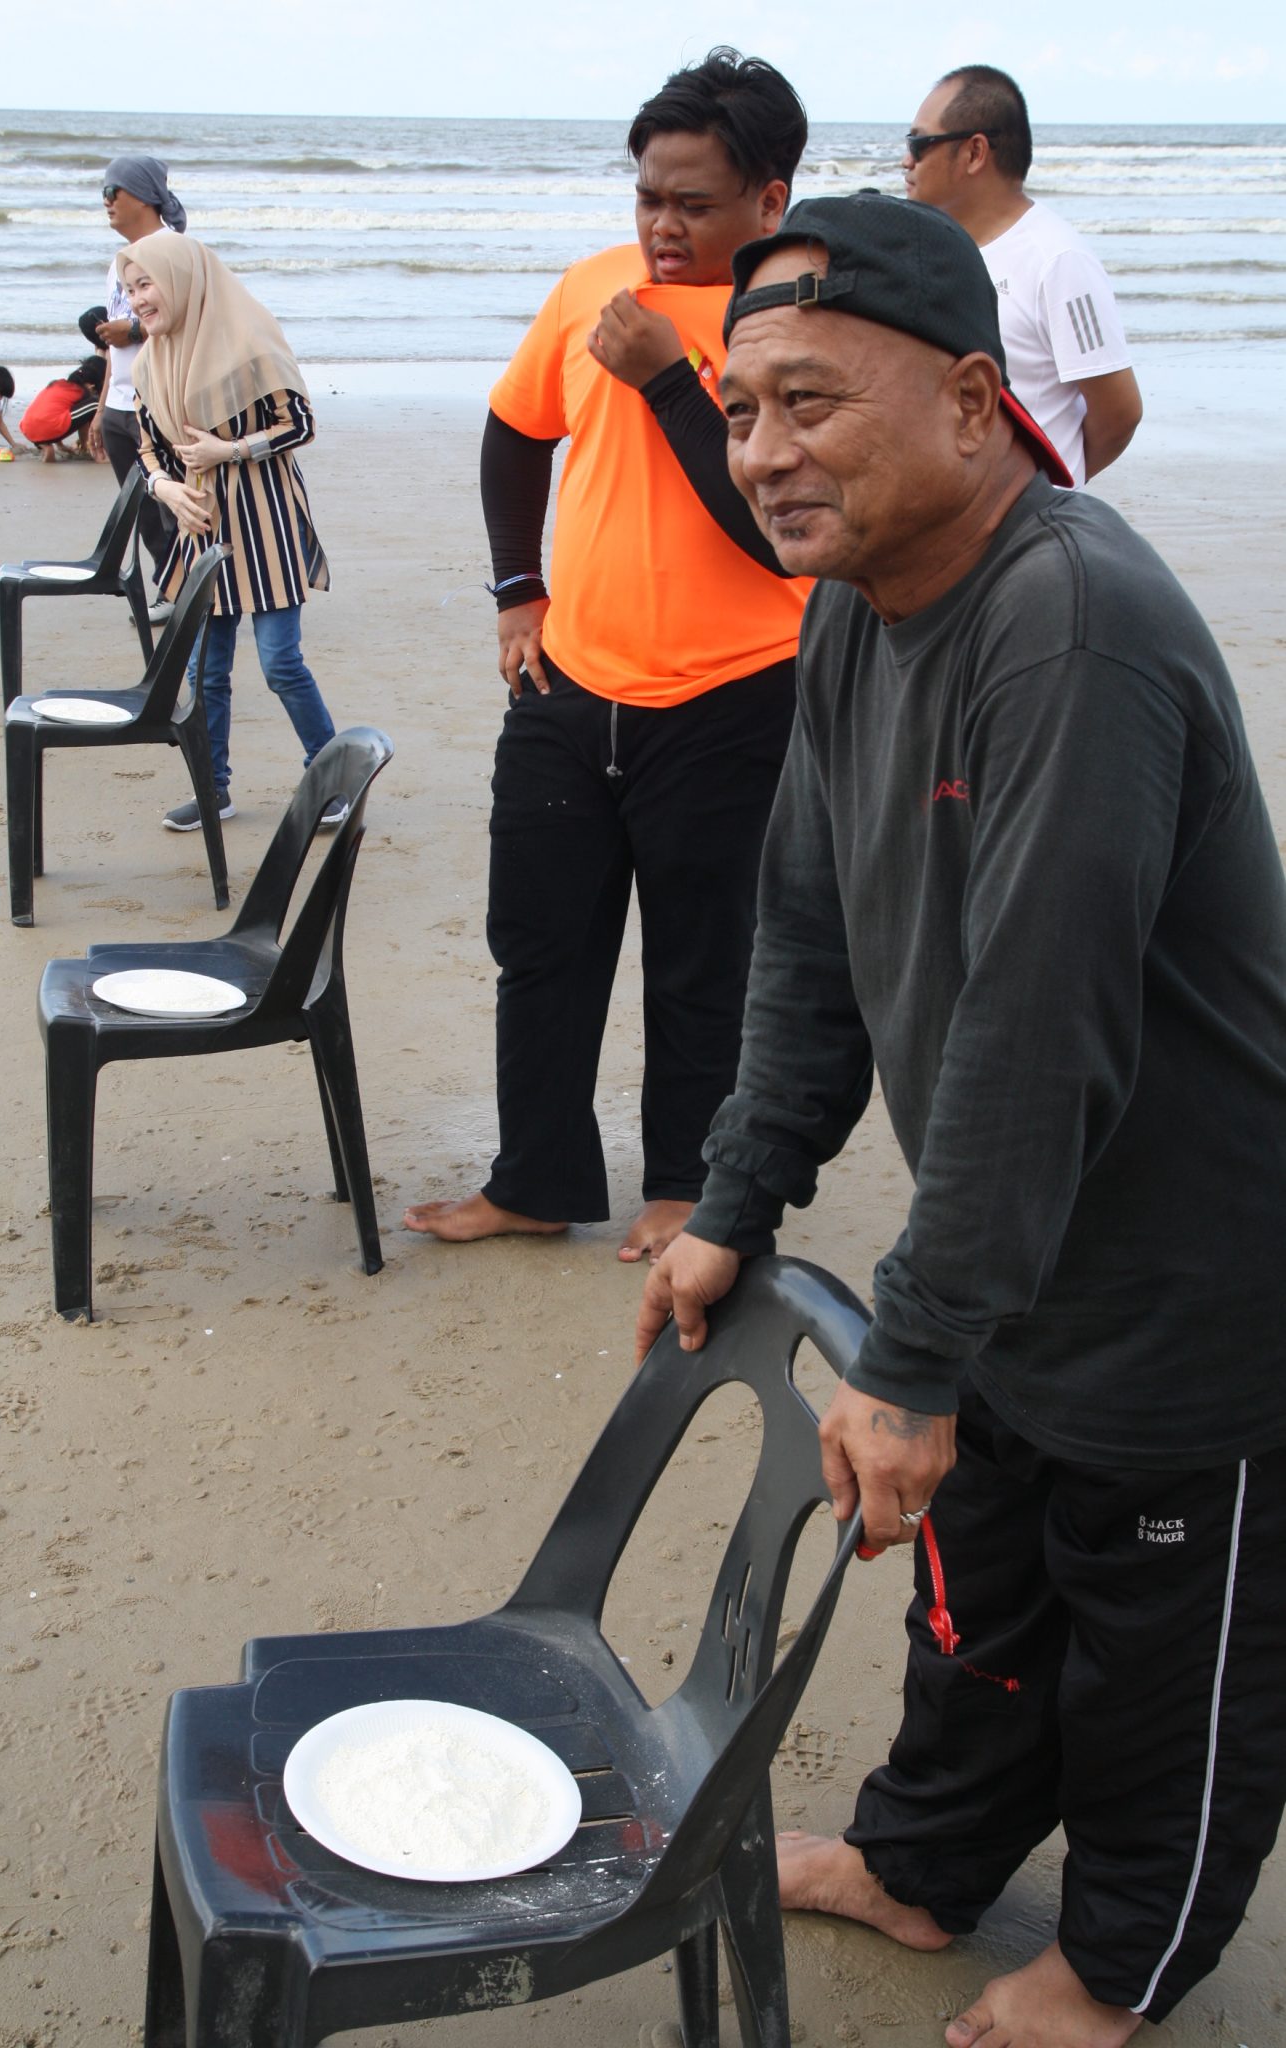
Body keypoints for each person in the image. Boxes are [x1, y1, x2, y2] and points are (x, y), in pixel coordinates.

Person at [637, 191, 1286, 2047]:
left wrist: (909, 1356)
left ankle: (1116, 1967)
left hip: (1185, 1283)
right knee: (975, 1604)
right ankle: (922, 1862)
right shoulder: (858, 610)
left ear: (973, 402)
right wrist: (736, 1195)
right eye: (739, 411)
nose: (763, 452)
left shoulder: (1068, 630)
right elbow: (806, 936)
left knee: (1160, 1667)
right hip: (1005, 1253)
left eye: (810, 402)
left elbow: (1033, 1034)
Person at [403, 48, 812, 1264]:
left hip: (736, 695)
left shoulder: (796, 324)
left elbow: (777, 533)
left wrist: (671, 381)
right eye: (645, 196)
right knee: (538, 946)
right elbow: (512, 431)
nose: (659, 226)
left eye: (692, 202)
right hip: (567, 685)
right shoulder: (592, 288)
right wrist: (515, 590)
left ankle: (685, 1184)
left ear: (768, 201)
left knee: (703, 959)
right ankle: (534, 1178)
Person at [118, 232, 344, 834]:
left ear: (182, 280)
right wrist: (166, 490)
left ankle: (331, 778)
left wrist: (231, 449)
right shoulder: (149, 364)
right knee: (203, 671)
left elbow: (300, 424)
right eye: (130, 289)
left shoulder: (250, 340)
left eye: (146, 284)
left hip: (267, 520)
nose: (137, 300)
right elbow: (148, 450)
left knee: (280, 663)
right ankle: (212, 788)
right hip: (203, 526)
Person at [903, 64, 1142, 487]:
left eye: (919, 144)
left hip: (1032, 521)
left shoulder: (1058, 260)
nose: (906, 161)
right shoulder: (933, 249)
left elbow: (1119, 413)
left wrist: (1046, 491)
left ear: (975, 153)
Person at [89, 156, 187, 622]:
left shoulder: (174, 251)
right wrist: (101, 408)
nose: (106, 201)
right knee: (143, 511)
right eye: (103, 192)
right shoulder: (119, 262)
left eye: (114, 191)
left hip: (159, 404)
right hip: (119, 405)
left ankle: (194, 594)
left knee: (174, 504)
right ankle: (170, 590)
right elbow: (113, 345)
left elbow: (189, 323)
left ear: (144, 197)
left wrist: (131, 331)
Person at [19, 356, 106, 461]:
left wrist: (60, 445)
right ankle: (92, 448)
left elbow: (53, 411)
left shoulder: (57, 384)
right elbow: (83, 424)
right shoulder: (82, 393)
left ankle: (45, 446)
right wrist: (84, 445)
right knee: (96, 404)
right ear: (91, 386)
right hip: (48, 425)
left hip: (28, 427)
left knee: (57, 416)